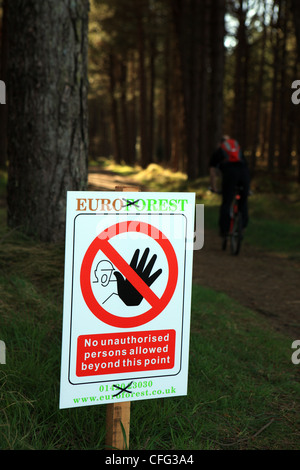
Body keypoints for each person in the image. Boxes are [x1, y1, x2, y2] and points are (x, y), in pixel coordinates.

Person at [209, 136, 250, 238]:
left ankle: (224, 230)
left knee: (227, 202)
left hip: (230, 175)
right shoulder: (238, 150)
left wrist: (213, 187)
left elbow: (212, 172)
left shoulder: (219, 151)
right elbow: (246, 166)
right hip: (244, 174)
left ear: (220, 143)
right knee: (243, 201)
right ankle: (242, 227)